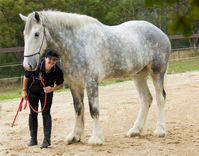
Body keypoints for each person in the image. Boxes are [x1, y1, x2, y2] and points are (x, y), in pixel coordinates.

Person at [22, 49, 64, 148]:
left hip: (46, 94)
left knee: (46, 114)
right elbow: (26, 77)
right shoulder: (35, 65)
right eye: (50, 59)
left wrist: (52, 89)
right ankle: (33, 139)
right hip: (32, 92)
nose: (52, 61)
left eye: (54, 60)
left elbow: (61, 85)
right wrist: (24, 90)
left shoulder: (57, 71)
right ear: (45, 58)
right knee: (33, 114)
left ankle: (46, 140)